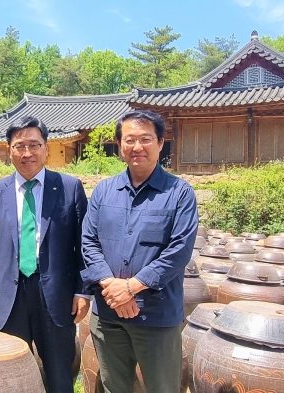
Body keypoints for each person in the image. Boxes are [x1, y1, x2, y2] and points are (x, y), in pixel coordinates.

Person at [81, 110, 198, 393]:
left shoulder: (179, 193)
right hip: (108, 314)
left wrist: (131, 288)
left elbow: (178, 250)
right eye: (129, 140)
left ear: (160, 143)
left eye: (146, 139)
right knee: (113, 386)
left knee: (162, 387)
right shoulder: (103, 191)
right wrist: (114, 289)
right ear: (119, 145)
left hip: (157, 317)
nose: (137, 147)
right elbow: (88, 241)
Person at [0, 115, 89, 393]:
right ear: (9, 150)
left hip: (55, 296)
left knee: (59, 376)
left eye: (34, 145)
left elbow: (85, 245)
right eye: (19, 146)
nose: (27, 153)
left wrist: (82, 290)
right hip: (10, 296)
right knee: (9, 378)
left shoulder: (69, 187)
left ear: (46, 148)